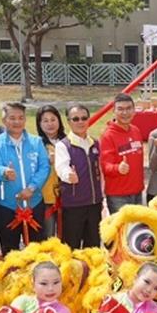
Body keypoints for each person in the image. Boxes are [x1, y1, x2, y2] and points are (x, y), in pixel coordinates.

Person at [0, 103, 51, 255]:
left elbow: (44, 167)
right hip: (7, 206)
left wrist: (32, 188)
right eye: (12, 118)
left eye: (21, 118)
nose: (17, 122)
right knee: (10, 252)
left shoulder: (36, 142)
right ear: (4, 120)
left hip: (34, 202)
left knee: (37, 250)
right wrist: (4, 172)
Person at [55, 104, 102, 249]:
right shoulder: (63, 145)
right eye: (75, 119)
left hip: (94, 203)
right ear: (68, 122)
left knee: (93, 246)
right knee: (71, 246)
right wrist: (68, 175)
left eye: (84, 118)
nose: (80, 122)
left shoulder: (95, 143)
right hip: (74, 205)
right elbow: (61, 167)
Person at [99, 93, 144, 214]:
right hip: (118, 196)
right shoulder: (108, 135)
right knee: (122, 226)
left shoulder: (136, 131)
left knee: (138, 226)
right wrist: (118, 168)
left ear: (134, 110)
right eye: (120, 109)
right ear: (114, 111)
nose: (125, 113)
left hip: (137, 192)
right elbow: (105, 165)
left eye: (129, 108)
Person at [35, 105, 66, 238]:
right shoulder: (36, 144)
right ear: (39, 124)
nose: (50, 124)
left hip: (68, 198)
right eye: (45, 121)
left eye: (53, 119)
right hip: (46, 198)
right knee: (48, 236)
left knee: (67, 235)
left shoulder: (68, 141)